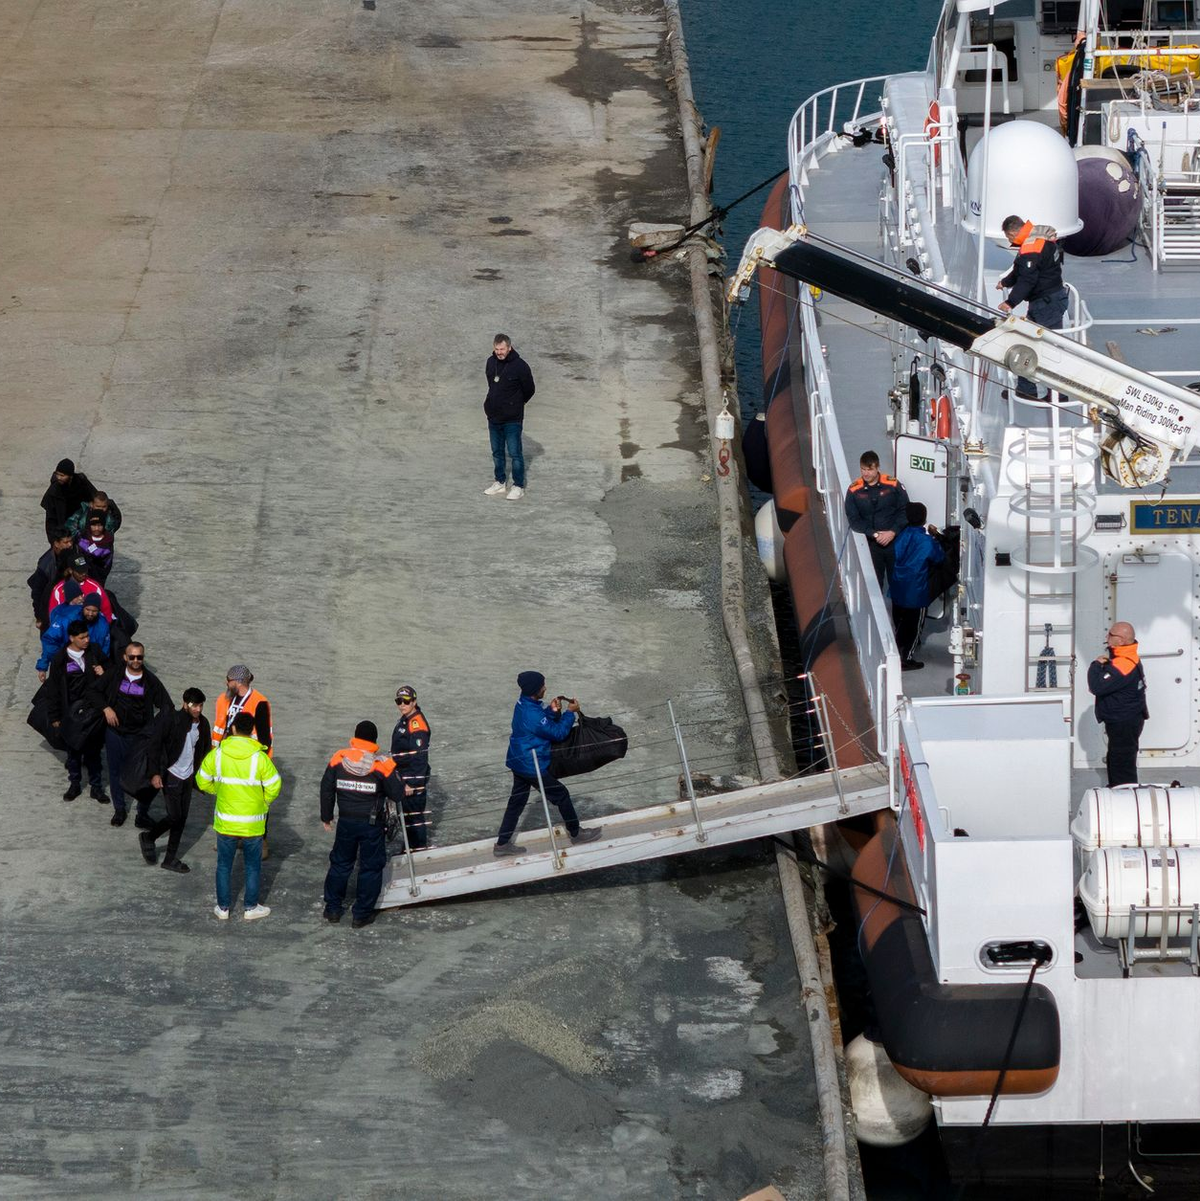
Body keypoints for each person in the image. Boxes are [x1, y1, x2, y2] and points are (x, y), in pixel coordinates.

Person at [494, 671, 603, 856]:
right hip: (531, 764)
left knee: (516, 803)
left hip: (518, 760)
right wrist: (570, 713)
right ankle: (577, 834)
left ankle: (502, 845)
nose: (545, 688)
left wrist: (551, 711)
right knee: (561, 795)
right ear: (535, 689)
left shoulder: (524, 704)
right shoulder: (532, 714)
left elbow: (539, 723)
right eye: (542, 686)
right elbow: (558, 733)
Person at [196, 710, 281, 921]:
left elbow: (201, 780)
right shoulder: (260, 758)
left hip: (226, 821)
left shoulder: (217, 754)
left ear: (232, 729)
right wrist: (264, 802)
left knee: (224, 865)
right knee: (253, 866)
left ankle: (223, 908)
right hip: (252, 823)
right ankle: (251, 908)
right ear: (252, 731)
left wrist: (220, 790)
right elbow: (274, 785)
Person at [321, 720, 404, 928]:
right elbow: (397, 793)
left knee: (340, 863)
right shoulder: (380, 765)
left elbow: (326, 788)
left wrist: (326, 816)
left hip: (346, 822)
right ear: (374, 741)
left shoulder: (338, 759)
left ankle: (332, 909)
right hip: (371, 824)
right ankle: (361, 914)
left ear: (355, 737)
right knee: (370, 867)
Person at [99, 641, 173, 826]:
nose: (136, 660)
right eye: (132, 657)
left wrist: (154, 729)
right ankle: (119, 809)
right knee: (115, 772)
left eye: (139, 657)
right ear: (125, 657)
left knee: (144, 775)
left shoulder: (150, 681)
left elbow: (167, 706)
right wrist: (106, 708)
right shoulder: (115, 674)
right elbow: (94, 691)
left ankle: (142, 813)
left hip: (140, 736)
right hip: (115, 734)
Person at [138, 688, 211, 874]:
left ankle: (170, 859)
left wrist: (203, 776)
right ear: (185, 704)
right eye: (195, 706)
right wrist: (155, 773)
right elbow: (154, 746)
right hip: (171, 774)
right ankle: (149, 837)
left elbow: (205, 751)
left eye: (201, 706)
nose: (198, 710)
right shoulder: (171, 719)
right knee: (174, 816)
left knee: (181, 819)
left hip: (188, 777)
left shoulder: (203, 724)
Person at [997, 215, 1068, 402]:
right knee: (1032, 343)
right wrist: (1005, 282)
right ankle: (1029, 389)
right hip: (1048, 300)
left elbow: (1028, 279)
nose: (1009, 241)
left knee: (1041, 347)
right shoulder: (1037, 239)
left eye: (1009, 238)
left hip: (1046, 303)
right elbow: (1020, 270)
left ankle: (1054, 393)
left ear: (1013, 232)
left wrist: (1010, 302)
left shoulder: (1030, 248)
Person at [44, 619, 109, 802]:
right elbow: (54, 690)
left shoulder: (94, 651)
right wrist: (55, 717)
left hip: (93, 711)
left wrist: (103, 671)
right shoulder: (60, 659)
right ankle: (74, 784)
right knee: (73, 753)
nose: (87, 640)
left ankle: (96, 787)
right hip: (71, 713)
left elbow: (112, 669)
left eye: (87, 636)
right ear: (72, 638)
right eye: (82, 638)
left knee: (94, 752)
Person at [213, 664, 275, 856]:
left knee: (256, 802)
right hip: (229, 757)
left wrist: (261, 764)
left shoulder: (259, 702)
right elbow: (218, 728)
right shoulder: (223, 700)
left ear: (238, 682)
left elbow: (265, 737)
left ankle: (261, 841)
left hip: (252, 759)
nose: (226, 683)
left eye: (228, 680)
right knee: (230, 798)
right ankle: (230, 837)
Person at [1087, 621, 1149, 787]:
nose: (1107, 637)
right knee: (1117, 758)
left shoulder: (1123, 664)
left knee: (1122, 763)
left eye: (1110, 635)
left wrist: (1096, 665)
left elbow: (1096, 686)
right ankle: (1116, 789)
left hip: (1124, 721)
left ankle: (1126, 796)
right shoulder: (1128, 655)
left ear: (1120, 641)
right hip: (1127, 718)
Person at [889, 503, 945, 672]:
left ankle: (895, 652)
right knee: (914, 628)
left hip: (898, 586)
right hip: (916, 591)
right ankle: (906, 659)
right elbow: (939, 557)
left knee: (899, 622)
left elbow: (896, 553)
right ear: (924, 519)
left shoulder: (902, 535)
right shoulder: (926, 541)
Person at [482, 333, 535, 500]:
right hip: (494, 416)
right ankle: (499, 482)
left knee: (514, 453)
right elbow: (492, 384)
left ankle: (518, 486)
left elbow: (530, 389)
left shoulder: (520, 366)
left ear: (509, 348)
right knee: (497, 452)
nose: (499, 352)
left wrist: (516, 404)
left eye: (502, 349)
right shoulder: (491, 362)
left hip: (512, 418)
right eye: (497, 349)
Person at [844, 451, 909, 585]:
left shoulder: (893, 485)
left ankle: (897, 605)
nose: (866, 473)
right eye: (863, 469)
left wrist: (893, 532)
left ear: (877, 467)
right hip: (872, 544)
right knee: (874, 582)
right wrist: (873, 534)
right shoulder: (854, 490)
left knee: (898, 581)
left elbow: (905, 510)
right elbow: (853, 518)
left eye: (870, 469)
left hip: (895, 541)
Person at [391, 684, 431, 850]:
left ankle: (418, 850)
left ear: (414, 701)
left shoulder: (417, 725)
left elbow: (419, 757)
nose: (402, 704)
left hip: (411, 780)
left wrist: (412, 783)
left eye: (406, 701)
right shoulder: (406, 718)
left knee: (414, 817)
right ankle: (409, 847)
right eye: (399, 701)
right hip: (403, 776)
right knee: (407, 817)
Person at [38, 591, 112, 679]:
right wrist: (45, 666)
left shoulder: (103, 625)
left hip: (88, 664)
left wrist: (101, 666)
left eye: (94, 611)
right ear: (83, 607)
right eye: (88, 609)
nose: (90, 614)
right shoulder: (67, 619)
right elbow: (50, 639)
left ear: (99, 611)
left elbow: (104, 650)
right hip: (66, 659)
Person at [27, 527, 76, 629]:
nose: (70, 545)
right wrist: (39, 617)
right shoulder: (46, 564)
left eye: (71, 541)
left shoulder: (75, 552)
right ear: (56, 544)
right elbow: (37, 593)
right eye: (66, 542)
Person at [40, 458, 95, 540]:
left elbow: (96, 497)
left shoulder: (81, 482)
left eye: (62, 475)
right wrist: (54, 541)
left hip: (81, 525)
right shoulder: (54, 491)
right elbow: (51, 520)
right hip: (64, 529)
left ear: (71, 476)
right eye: (57, 474)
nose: (59, 477)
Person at [47, 554, 114, 622]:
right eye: (80, 572)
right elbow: (53, 614)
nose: (83, 574)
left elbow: (106, 610)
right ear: (70, 570)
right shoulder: (59, 589)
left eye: (85, 570)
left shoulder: (95, 587)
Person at [77, 513, 115, 582]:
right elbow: (77, 557)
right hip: (81, 576)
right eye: (93, 525)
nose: (96, 528)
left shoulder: (108, 540)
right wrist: (79, 569)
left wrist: (86, 548)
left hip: (99, 577)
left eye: (99, 525)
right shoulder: (82, 537)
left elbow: (106, 561)